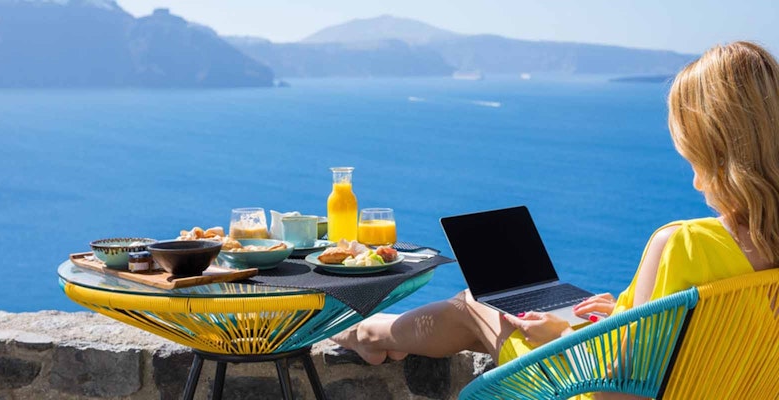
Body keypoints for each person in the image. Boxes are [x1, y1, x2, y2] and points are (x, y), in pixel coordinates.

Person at [331, 41, 779, 398]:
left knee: (477, 302)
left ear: (710, 144)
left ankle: (369, 335)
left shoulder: (683, 244)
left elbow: (620, 396)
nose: (693, 174)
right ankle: (376, 335)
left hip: (580, 390)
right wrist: (623, 317)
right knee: (498, 302)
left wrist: (559, 335)